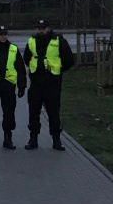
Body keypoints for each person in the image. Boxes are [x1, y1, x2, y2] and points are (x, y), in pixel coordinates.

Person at [22, 19, 75, 151]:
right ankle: (33, 139)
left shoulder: (59, 41)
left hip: (52, 83)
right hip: (36, 83)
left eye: (43, 28)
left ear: (49, 28)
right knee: (33, 112)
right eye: (39, 28)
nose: (41, 30)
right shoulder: (32, 41)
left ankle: (56, 140)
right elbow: (27, 58)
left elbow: (69, 60)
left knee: (53, 112)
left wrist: (57, 72)